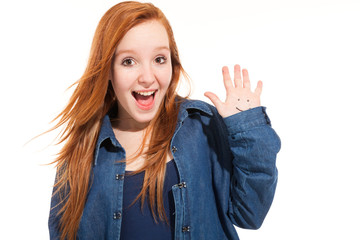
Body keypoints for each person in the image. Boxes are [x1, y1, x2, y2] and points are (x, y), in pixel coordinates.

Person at [48, 1, 281, 240]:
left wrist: (247, 128)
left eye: (159, 59)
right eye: (129, 61)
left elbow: (250, 214)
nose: (148, 78)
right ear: (107, 69)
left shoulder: (202, 126)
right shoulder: (84, 151)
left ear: (173, 63)